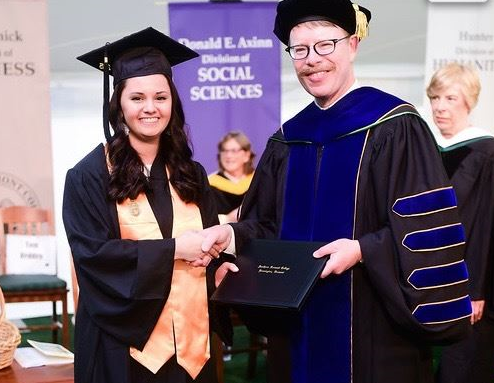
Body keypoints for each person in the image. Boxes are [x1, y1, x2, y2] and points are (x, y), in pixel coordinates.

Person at [200, 1, 472, 383]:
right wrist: (231, 235)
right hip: (295, 332)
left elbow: (427, 233)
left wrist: (362, 250)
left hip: (373, 329)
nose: (312, 60)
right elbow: (265, 225)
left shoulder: (395, 127)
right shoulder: (288, 139)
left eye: (325, 45)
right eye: (300, 50)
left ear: (353, 44)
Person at [62, 27, 236, 383]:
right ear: (119, 104)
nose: (151, 108)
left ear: (173, 103)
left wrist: (217, 264)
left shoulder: (191, 172)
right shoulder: (89, 175)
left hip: (192, 343)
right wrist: (174, 250)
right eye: (137, 98)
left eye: (161, 97)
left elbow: (208, 247)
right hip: (125, 347)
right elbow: (94, 257)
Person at [427, 63, 494, 383]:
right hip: (430, 272)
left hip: (468, 278)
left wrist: (476, 290)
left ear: (469, 100)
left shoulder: (486, 152)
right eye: (435, 97)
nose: (440, 106)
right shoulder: (428, 151)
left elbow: (485, 226)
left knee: (463, 363)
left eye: (450, 98)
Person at [208, 131, 255, 224]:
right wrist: (228, 218)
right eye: (224, 151)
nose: (228, 156)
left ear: (246, 155)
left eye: (234, 151)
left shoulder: (259, 181)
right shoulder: (210, 185)